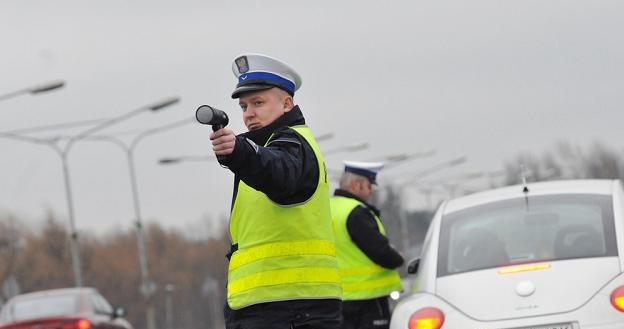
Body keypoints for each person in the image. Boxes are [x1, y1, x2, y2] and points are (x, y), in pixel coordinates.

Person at [209, 53, 342, 329]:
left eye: (258, 103)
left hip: (293, 309)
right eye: (244, 106)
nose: (248, 114)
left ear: (287, 103)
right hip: (268, 307)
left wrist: (241, 151)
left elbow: (277, 171)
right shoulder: (267, 147)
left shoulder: (294, 144)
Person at [330, 161, 404, 329]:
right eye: (370, 186)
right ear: (357, 185)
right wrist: (398, 258)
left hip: (336, 300)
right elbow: (381, 252)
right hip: (367, 300)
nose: (371, 192)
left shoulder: (328, 209)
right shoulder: (355, 212)